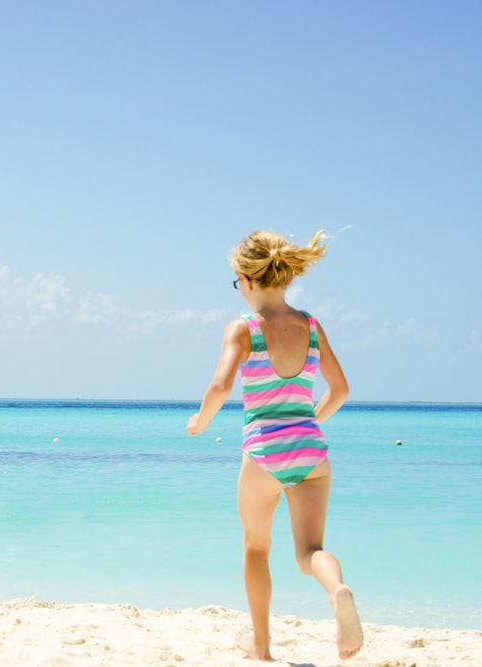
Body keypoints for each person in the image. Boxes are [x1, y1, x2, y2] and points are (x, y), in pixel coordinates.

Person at [186, 229, 362, 662]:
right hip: (311, 450)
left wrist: (201, 420)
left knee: (257, 547)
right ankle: (336, 588)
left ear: (246, 280)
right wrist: (306, 423)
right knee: (310, 551)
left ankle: (262, 646)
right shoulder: (311, 327)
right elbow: (340, 390)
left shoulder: (244, 329)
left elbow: (220, 383)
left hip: (264, 454)